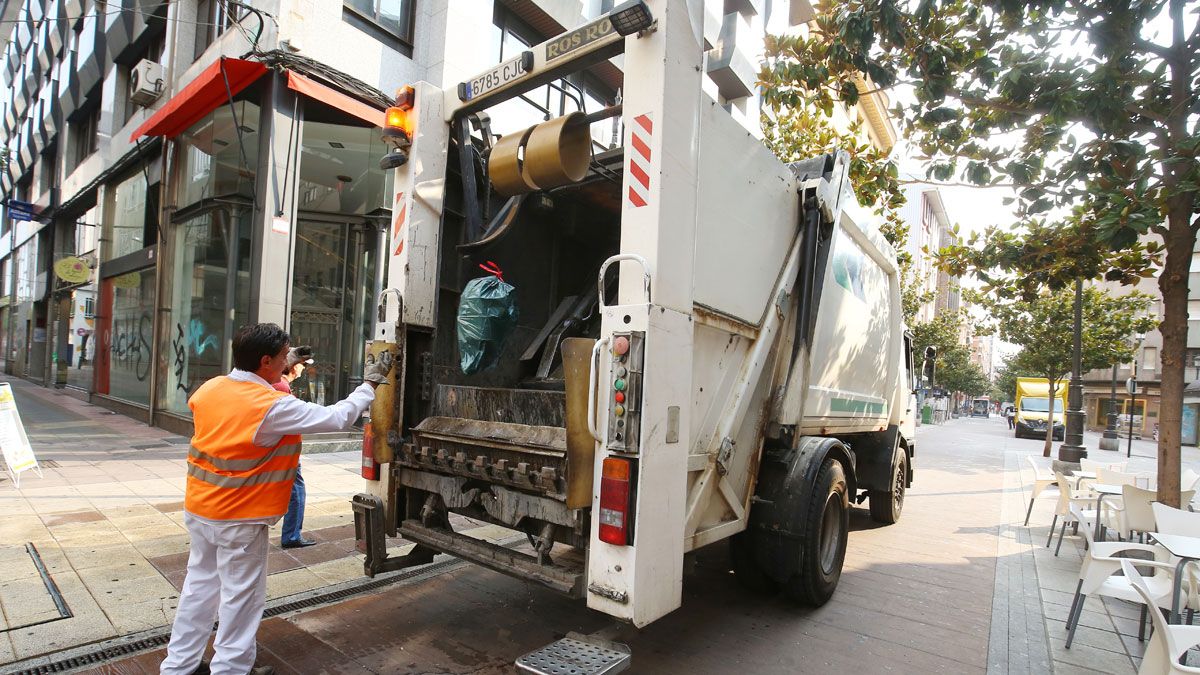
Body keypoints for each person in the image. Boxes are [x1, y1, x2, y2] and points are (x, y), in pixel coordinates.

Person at [160, 323, 391, 675]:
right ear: (265, 361)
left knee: (199, 590)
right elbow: (338, 416)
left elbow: (246, 394)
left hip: (201, 508)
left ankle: (178, 667)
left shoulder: (211, 389)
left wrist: (285, 365)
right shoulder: (271, 407)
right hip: (239, 517)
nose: (289, 361)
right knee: (241, 599)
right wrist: (370, 383)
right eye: (283, 357)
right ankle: (230, 670)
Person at [273, 346, 316, 549]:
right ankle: (291, 536)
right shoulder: (281, 386)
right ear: (291, 366)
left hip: (281, 451)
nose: (303, 370)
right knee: (296, 493)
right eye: (302, 365)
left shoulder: (278, 384)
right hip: (285, 453)